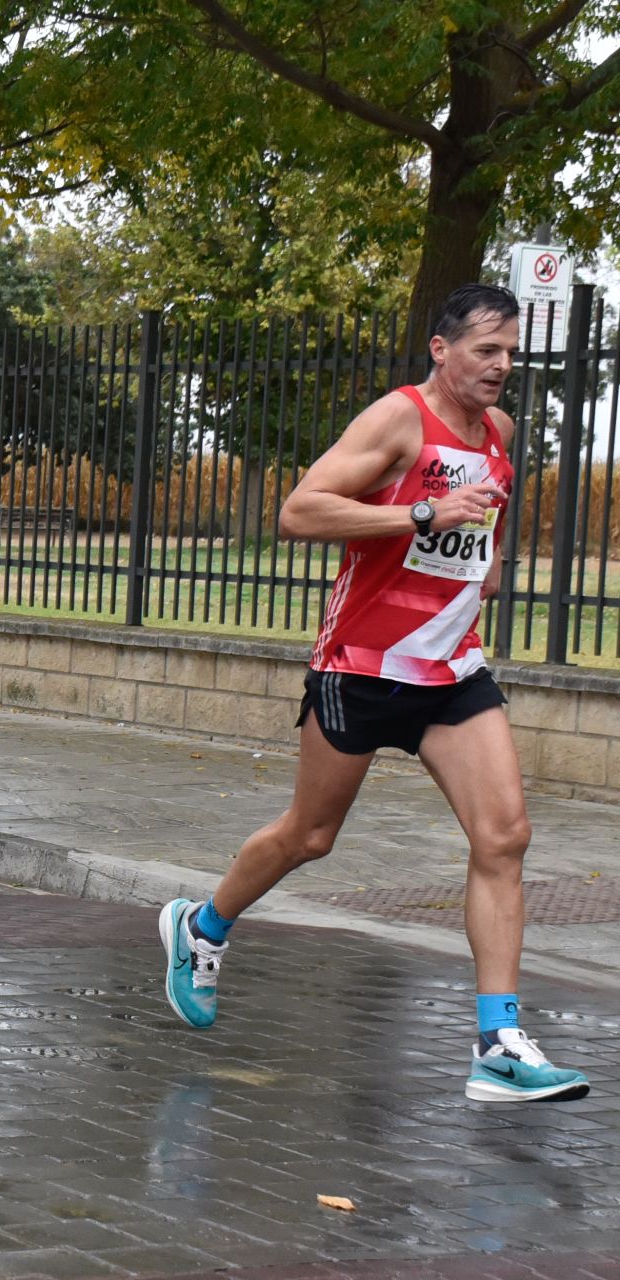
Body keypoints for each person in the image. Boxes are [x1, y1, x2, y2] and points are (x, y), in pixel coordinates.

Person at [159, 283, 589, 1104]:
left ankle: (498, 1041)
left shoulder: (500, 432)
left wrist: (483, 556)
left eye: (510, 352)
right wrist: (423, 515)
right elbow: (300, 511)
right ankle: (201, 926)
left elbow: (481, 525)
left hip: (451, 669)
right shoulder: (398, 418)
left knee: (504, 838)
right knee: (310, 835)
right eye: (486, 351)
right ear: (441, 349)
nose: (503, 366)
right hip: (361, 662)